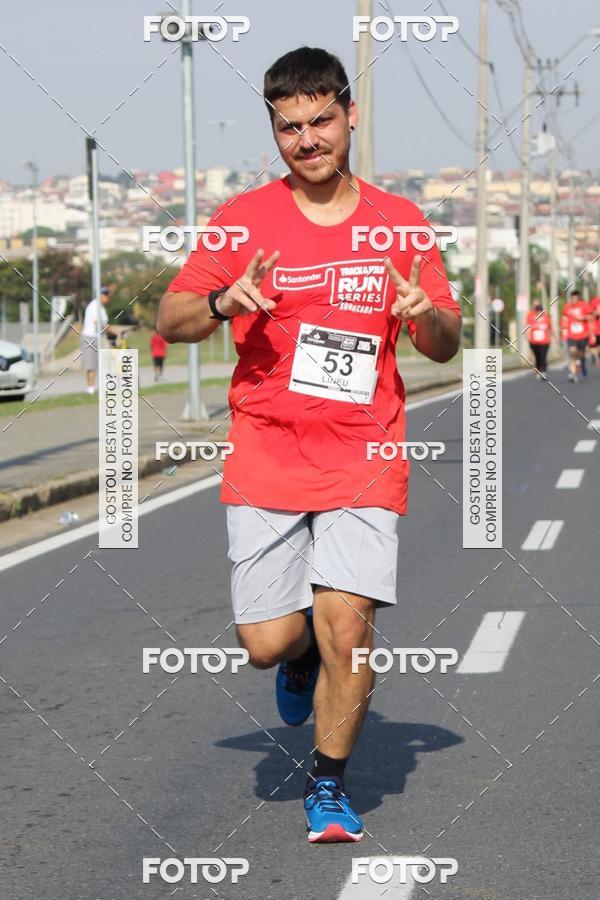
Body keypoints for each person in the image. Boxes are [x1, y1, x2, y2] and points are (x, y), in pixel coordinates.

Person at [157, 47, 461, 843]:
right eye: (289, 127)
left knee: (348, 627)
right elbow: (171, 318)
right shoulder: (243, 221)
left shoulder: (399, 223)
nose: (307, 140)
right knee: (267, 644)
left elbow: (444, 342)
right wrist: (222, 302)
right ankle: (298, 660)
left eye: (321, 120)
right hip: (266, 450)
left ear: (350, 116)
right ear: (275, 131)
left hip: (365, 453)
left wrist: (424, 314)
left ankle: (327, 782)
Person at [80, 287, 115, 394]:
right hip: (89, 337)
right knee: (91, 363)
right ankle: (90, 388)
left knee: (103, 362)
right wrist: (111, 331)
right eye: (105, 294)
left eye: (107, 294)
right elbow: (97, 322)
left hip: (98, 337)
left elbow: (104, 323)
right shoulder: (94, 305)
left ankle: (104, 386)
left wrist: (110, 331)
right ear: (99, 295)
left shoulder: (102, 308)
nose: (107, 297)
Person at [562, 289, 593, 382]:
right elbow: (564, 317)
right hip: (571, 335)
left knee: (581, 354)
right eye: (572, 298)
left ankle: (581, 362)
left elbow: (591, 316)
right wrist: (564, 328)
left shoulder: (584, 305)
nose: (574, 300)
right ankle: (573, 374)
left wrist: (583, 317)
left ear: (578, 298)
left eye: (575, 298)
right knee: (572, 352)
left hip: (583, 335)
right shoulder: (567, 306)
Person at [525, 301, 552, 379]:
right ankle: (538, 369)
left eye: (540, 311)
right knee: (537, 356)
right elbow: (528, 328)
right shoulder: (531, 316)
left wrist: (551, 337)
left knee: (543, 356)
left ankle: (543, 371)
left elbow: (550, 328)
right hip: (534, 342)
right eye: (538, 311)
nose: (539, 312)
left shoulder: (546, 317)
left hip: (545, 342)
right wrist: (528, 337)